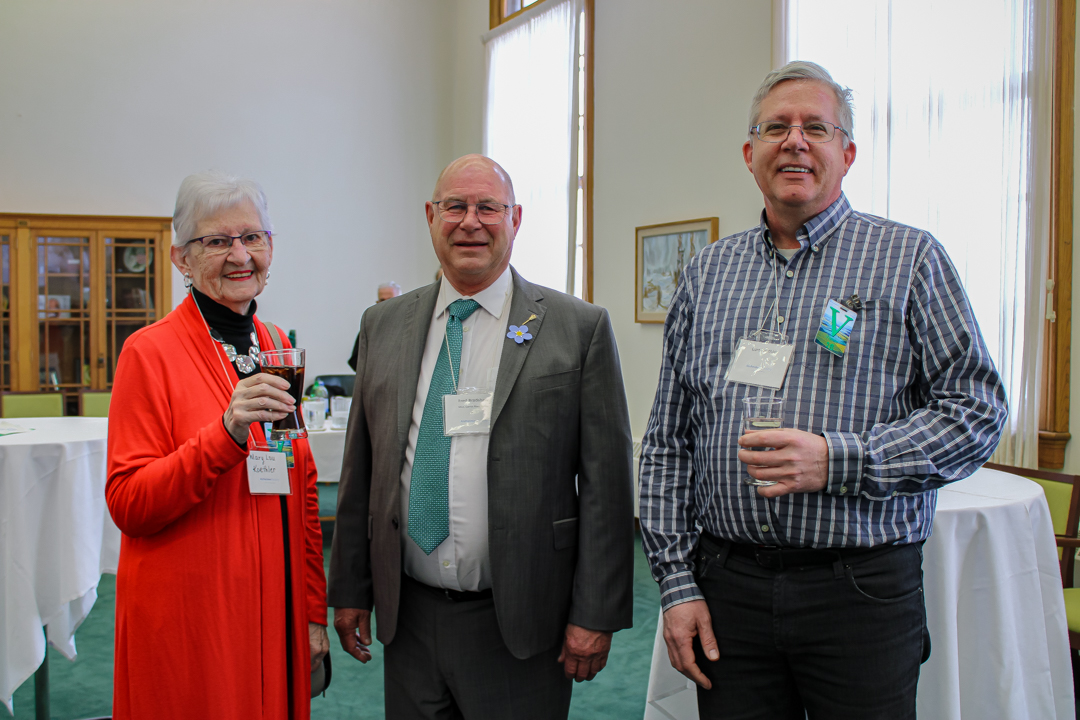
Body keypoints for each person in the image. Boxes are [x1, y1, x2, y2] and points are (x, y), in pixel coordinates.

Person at [639, 61, 1008, 719]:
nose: (796, 141)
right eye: (777, 127)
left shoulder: (911, 260)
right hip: (730, 590)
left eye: (816, 127)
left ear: (848, 152)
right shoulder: (706, 275)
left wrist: (842, 461)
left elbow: (976, 411)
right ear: (750, 154)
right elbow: (667, 443)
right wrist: (675, 585)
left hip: (859, 591)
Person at [328, 154, 635, 719]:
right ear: (430, 216)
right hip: (411, 619)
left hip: (520, 619)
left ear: (515, 219)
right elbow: (362, 470)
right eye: (456, 206)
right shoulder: (384, 325)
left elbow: (606, 486)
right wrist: (349, 588)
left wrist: (596, 612)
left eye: (488, 207)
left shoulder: (578, 328)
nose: (471, 221)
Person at [106, 171, 330, 720]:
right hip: (191, 613)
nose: (240, 255)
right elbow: (129, 503)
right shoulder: (147, 353)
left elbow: (299, 485)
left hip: (271, 608)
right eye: (218, 241)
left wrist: (310, 609)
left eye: (252, 238)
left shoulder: (276, 344)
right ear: (181, 257)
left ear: (271, 248)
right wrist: (225, 435)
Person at [347, 281, 401, 371]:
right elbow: (355, 361)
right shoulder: (369, 329)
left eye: (391, 299)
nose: (386, 304)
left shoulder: (412, 325)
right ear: (377, 302)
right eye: (382, 300)